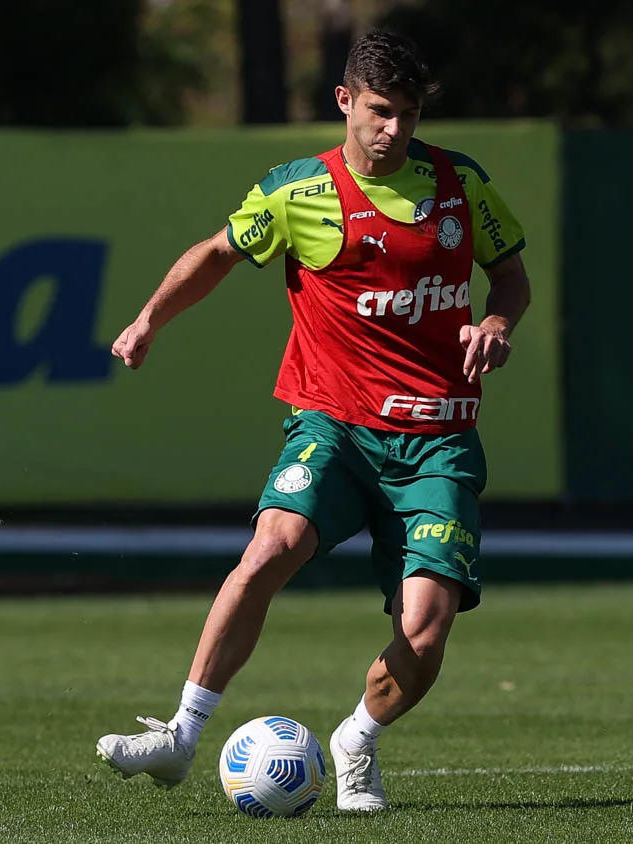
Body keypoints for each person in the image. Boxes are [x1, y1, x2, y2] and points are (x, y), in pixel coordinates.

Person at [94, 29, 531, 812]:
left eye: (407, 113)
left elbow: (511, 279)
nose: (393, 128)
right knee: (273, 545)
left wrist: (498, 327)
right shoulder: (300, 192)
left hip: (437, 443)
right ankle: (179, 737)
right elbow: (216, 254)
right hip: (333, 425)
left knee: (426, 630)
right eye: (378, 111)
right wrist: (148, 321)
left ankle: (356, 741)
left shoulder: (461, 183)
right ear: (344, 102)